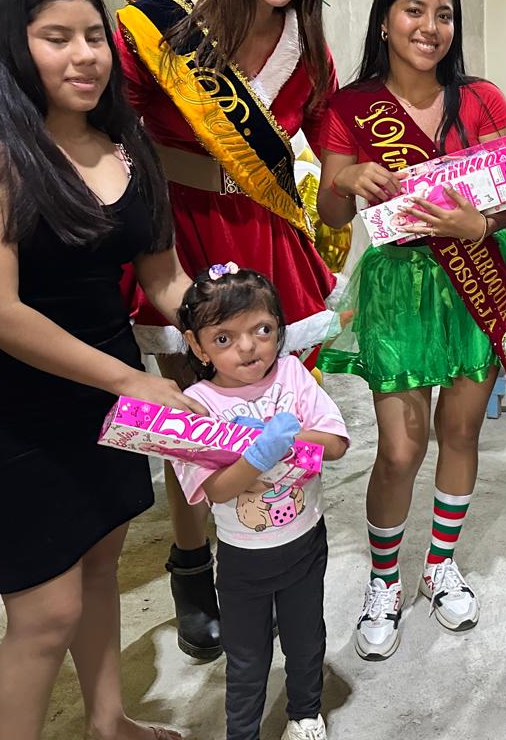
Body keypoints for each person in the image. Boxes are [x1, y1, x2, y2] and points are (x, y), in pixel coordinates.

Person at [0, 0, 196, 740]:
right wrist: (129, 381)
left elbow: (165, 279)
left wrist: (243, 330)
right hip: (7, 409)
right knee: (46, 614)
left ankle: (109, 721)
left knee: (102, 564)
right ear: (14, 45)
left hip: (108, 395)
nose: (84, 56)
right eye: (57, 38)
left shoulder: (124, 140)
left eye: (93, 36)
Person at [114, 0, 352, 660]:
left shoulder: (307, 50)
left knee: (266, 402)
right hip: (176, 228)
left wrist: (362, 180)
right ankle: (191, 565)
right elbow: (117, 133)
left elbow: (332, 145)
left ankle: (266, 541)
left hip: (262, 235)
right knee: (189, 411)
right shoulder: (160, 25)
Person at [316, 0, 506, 660]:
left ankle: (439, 565)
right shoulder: (350, 107)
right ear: (384, 21)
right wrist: (348, 178)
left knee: (461, 434)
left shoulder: (483, 99)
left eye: (444, 14)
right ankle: (385, 580)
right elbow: (333, 214)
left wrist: (482, 225)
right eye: (414, 10)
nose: (430, 27)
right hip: (400, 286)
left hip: (478, 276)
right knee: (401, 449)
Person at [172, 266, 349, 740]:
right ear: (197, 345)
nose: (248, 347)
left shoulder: (292, 374)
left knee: (305, 639)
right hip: (242, 559)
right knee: (247, 656)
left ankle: (305, 714)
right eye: (224, 338)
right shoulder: (197, 406)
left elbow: (335, 444)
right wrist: (259, 454)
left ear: (280, 328)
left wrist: (289, 438)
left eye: (263, 330)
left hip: (305, 542)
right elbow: (216, 490)